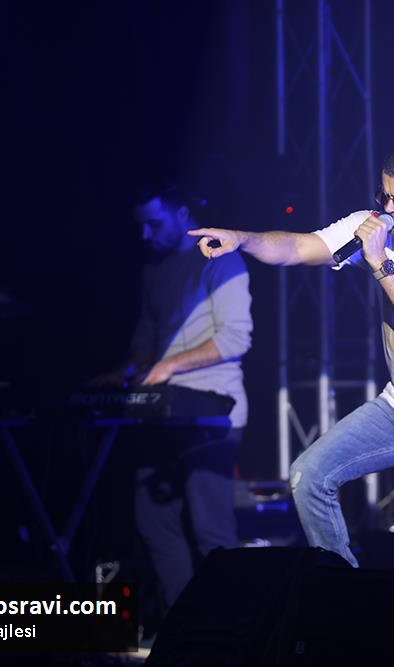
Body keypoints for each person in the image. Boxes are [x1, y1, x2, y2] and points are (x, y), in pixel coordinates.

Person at [189, 139, 394, 572]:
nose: (387, 209)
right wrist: (241, 239)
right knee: (309, 477)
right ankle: (342, 593)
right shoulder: (372, 227)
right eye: (382, 195)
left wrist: (381, 265)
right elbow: (297, 248)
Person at [98, 183, 253, 612]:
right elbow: (146, 335)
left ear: (183, 216)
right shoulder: (154, 269)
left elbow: (235, 338)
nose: (145, 235)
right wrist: (128, 371)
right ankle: (182, 627)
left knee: (211, 532)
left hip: (215, 408)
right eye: (142, 226)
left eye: (155, 224)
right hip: (163, 410)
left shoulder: (222, 261)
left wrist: (167, 367)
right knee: (153, 523)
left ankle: (230, 631)